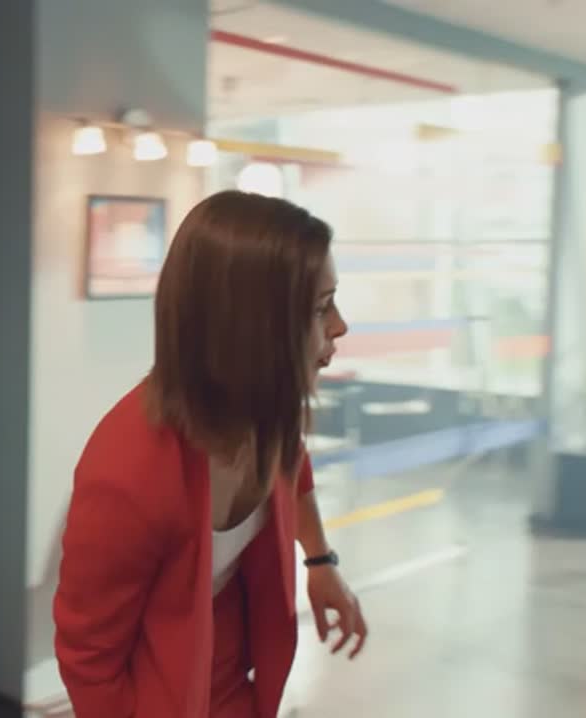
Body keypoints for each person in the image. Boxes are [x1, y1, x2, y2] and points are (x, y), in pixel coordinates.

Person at [53, 190, 367, 718]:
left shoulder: (268, 411)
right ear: (252, 325)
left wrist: (320, 561)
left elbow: (294, 473)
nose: (340, 326)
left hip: (231, 685)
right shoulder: (128, 473)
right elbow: (89, 661)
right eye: (320, 308)